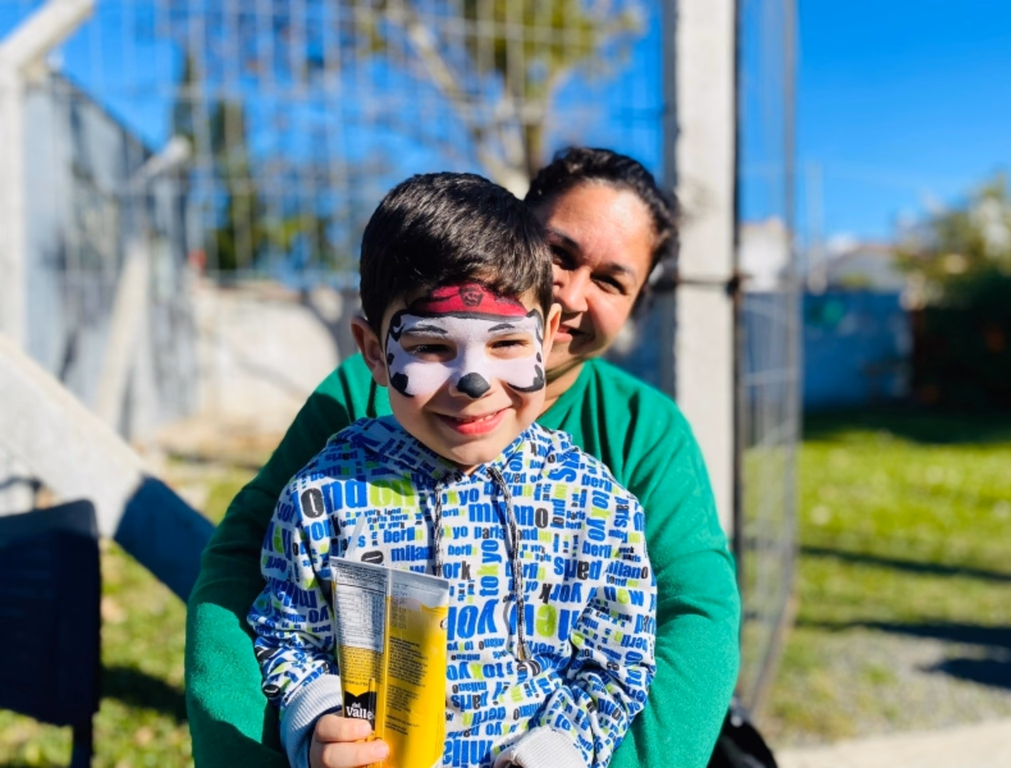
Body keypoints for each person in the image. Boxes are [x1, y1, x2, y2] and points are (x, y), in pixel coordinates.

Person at [185, 147, 741, 768]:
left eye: (611, 280)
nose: (576, 291)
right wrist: (305, 726)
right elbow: (260, 582)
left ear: (636, 302)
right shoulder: (350, 427)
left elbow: (690, 622)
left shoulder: (631, 448)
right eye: (559, 253)